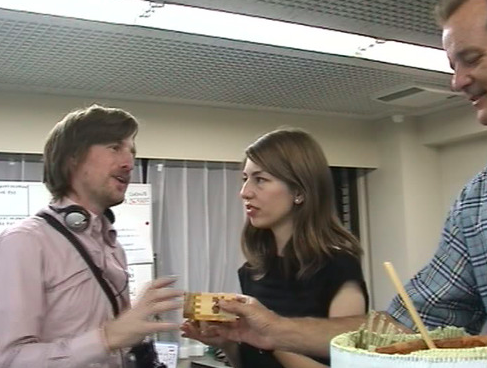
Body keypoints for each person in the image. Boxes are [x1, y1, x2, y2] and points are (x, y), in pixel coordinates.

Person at [197, 0, 487, 360]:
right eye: (453, 65)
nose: (457, 82)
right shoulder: (476, 204)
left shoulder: (335, 267)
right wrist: (264, 331)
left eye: (472, 58)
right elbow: (414, 327)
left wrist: (277, 340)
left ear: (301, 191)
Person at [0, 105, 183, 368]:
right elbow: (9, 360)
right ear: (72, 157)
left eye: (132, 151)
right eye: (114, 147)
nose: (129, 163)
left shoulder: (113, 247)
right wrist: (108, 337)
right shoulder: (24, 242)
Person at [181, 129, 369, 368]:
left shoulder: (338, 268)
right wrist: (228, 343)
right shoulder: (252, 271)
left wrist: (270, 339)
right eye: (245, 179)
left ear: (299, 192)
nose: (245, 192)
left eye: (260, 180)